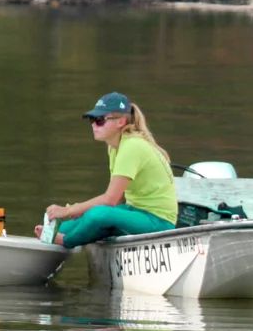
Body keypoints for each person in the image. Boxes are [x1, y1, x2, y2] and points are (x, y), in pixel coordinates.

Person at [41, 92, 178, 248]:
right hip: (135, 212)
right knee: (62, 227)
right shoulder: (114, 146)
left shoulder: (132, 146)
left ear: (121, 122)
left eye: (100, 120)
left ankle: (66, 241)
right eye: (92, 120)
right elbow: (117, 199)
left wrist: (69, 210)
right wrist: (83, 211)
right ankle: (59, 236)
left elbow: (110, 200)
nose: (94, 125)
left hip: (158, 221)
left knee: (98, 214)